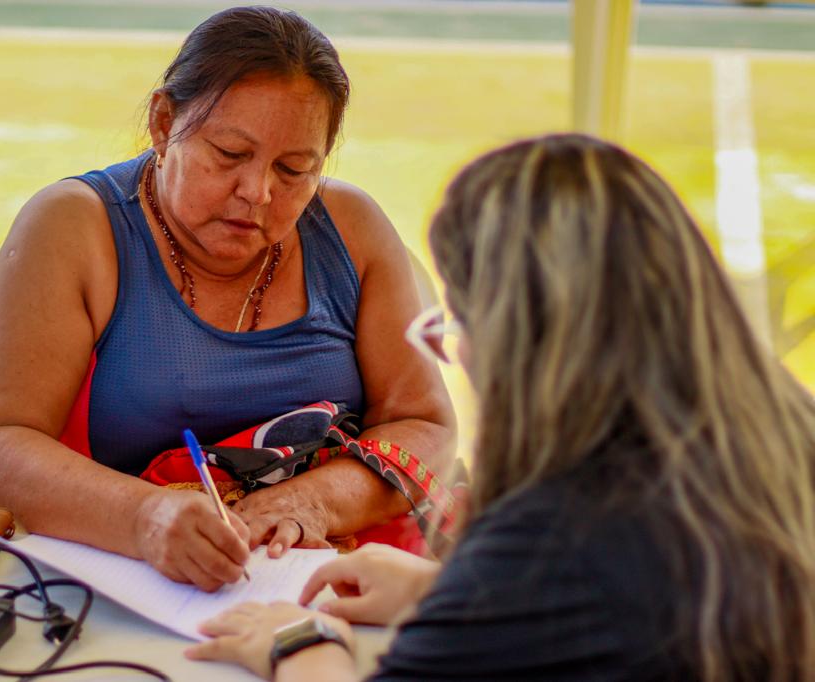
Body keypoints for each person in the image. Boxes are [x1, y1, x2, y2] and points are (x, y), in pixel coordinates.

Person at [184, 134, 815, 680]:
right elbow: (650, 603)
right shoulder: (779, 422)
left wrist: (298, 641)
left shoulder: (556, 532)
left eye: (458, 316)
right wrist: (447, 594)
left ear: (519, 339)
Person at [0, 6, 455, 593]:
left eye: (295, 169)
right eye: (229, 154)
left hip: (344, 572)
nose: (257, 192)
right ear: (164, 123)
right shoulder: (74, 228)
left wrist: (317, 501)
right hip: (139, 581)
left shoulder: (351, 228)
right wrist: (144, 516)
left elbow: (425, 423)